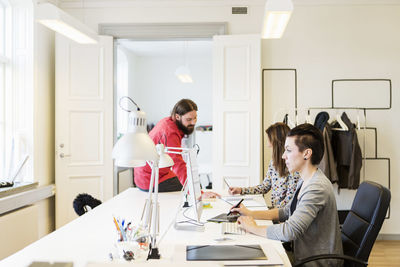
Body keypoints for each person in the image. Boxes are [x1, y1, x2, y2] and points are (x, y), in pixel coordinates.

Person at [232, 124, 343, 266]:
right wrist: (250, 213)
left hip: (316, 262)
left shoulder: (316, 187)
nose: (283, 156)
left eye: (288, 150)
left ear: (306, 154)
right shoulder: (305, 180)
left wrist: (252, 228)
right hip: (303, 253)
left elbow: (290, 231)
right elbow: (285, 211)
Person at [228, 122, 300, 208]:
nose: (267, 144)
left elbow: (289, 202)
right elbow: (265, 186)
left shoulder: (293, 167)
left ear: (275, 141)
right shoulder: (274, 162)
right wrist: (241, 190)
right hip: (274, 212)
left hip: (282, 215)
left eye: (269, 140)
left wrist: (268, 213)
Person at [134, 99, 198, 192]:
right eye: (189, 119)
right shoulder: (170, 132)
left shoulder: (168, 121)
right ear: (177, 117)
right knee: (192, 188)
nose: (193, 122)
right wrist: (197, 194)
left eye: (195, 118)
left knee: (191, 183)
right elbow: (178, 164)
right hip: (150, 180)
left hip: (145, 176)